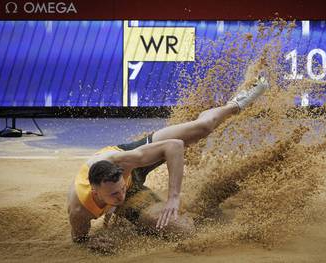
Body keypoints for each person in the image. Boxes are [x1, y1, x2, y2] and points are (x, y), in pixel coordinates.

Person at [67, 76, 269, 244]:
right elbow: (79, 239)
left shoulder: (126, 161)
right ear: (95, 191)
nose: (121, 194)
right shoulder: (80, 210)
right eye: (114, 194)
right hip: (120, 188)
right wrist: (91, 243)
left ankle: (235, 104)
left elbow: (174, 146)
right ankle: (136, 218)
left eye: (121, 189)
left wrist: (174, 197)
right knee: (182, 231)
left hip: (133, 162)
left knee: (203, 128)